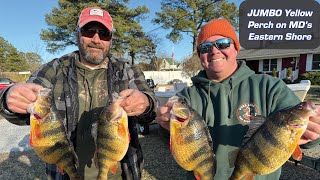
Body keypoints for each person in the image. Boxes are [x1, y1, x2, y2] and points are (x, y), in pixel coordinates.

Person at [0, 6, 157, 180]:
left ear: (111, 39)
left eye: (104, 33)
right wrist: (8, 98)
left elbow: (151, 110)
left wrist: (146, 103)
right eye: (89, 31)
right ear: (77, 34)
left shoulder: (128, 71)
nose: (96, 39)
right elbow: (25, 106)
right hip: (66, 173)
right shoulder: (54, 69)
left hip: (122, 173)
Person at [156, 18, 320, 180]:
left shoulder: (270, 87)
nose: (214, 51)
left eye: (223, 43)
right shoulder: (186, 98)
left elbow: (304, 138)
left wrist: (313, 132)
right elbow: (178, 147)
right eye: (206, 47)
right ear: (200, 55)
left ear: (236, 48)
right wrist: (165, 128)